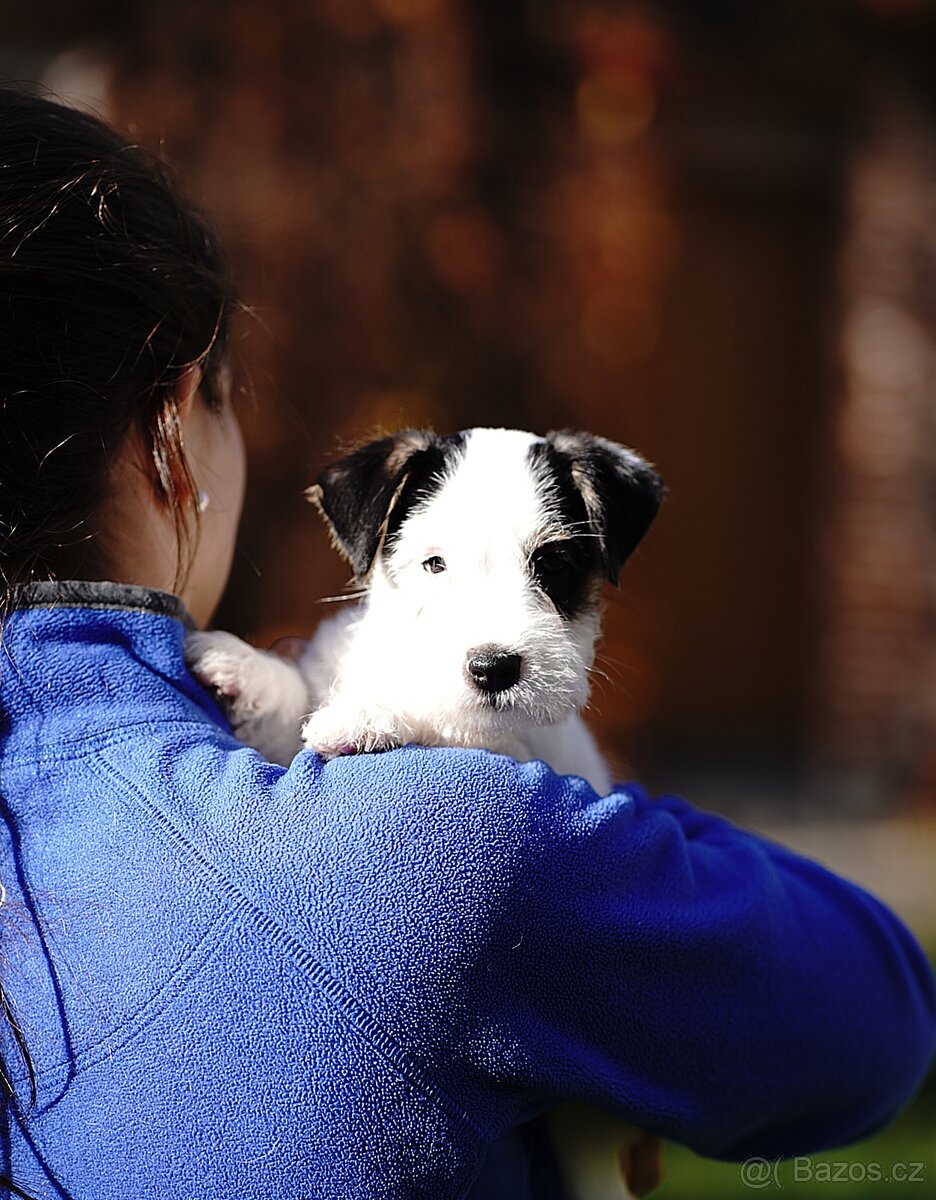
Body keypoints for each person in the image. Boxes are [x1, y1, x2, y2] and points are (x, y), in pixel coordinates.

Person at [0, 88, 933, 1200]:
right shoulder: (449, 848)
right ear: (174, 432)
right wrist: (604, 831)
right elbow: (877, 1015)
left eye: (552, 569)